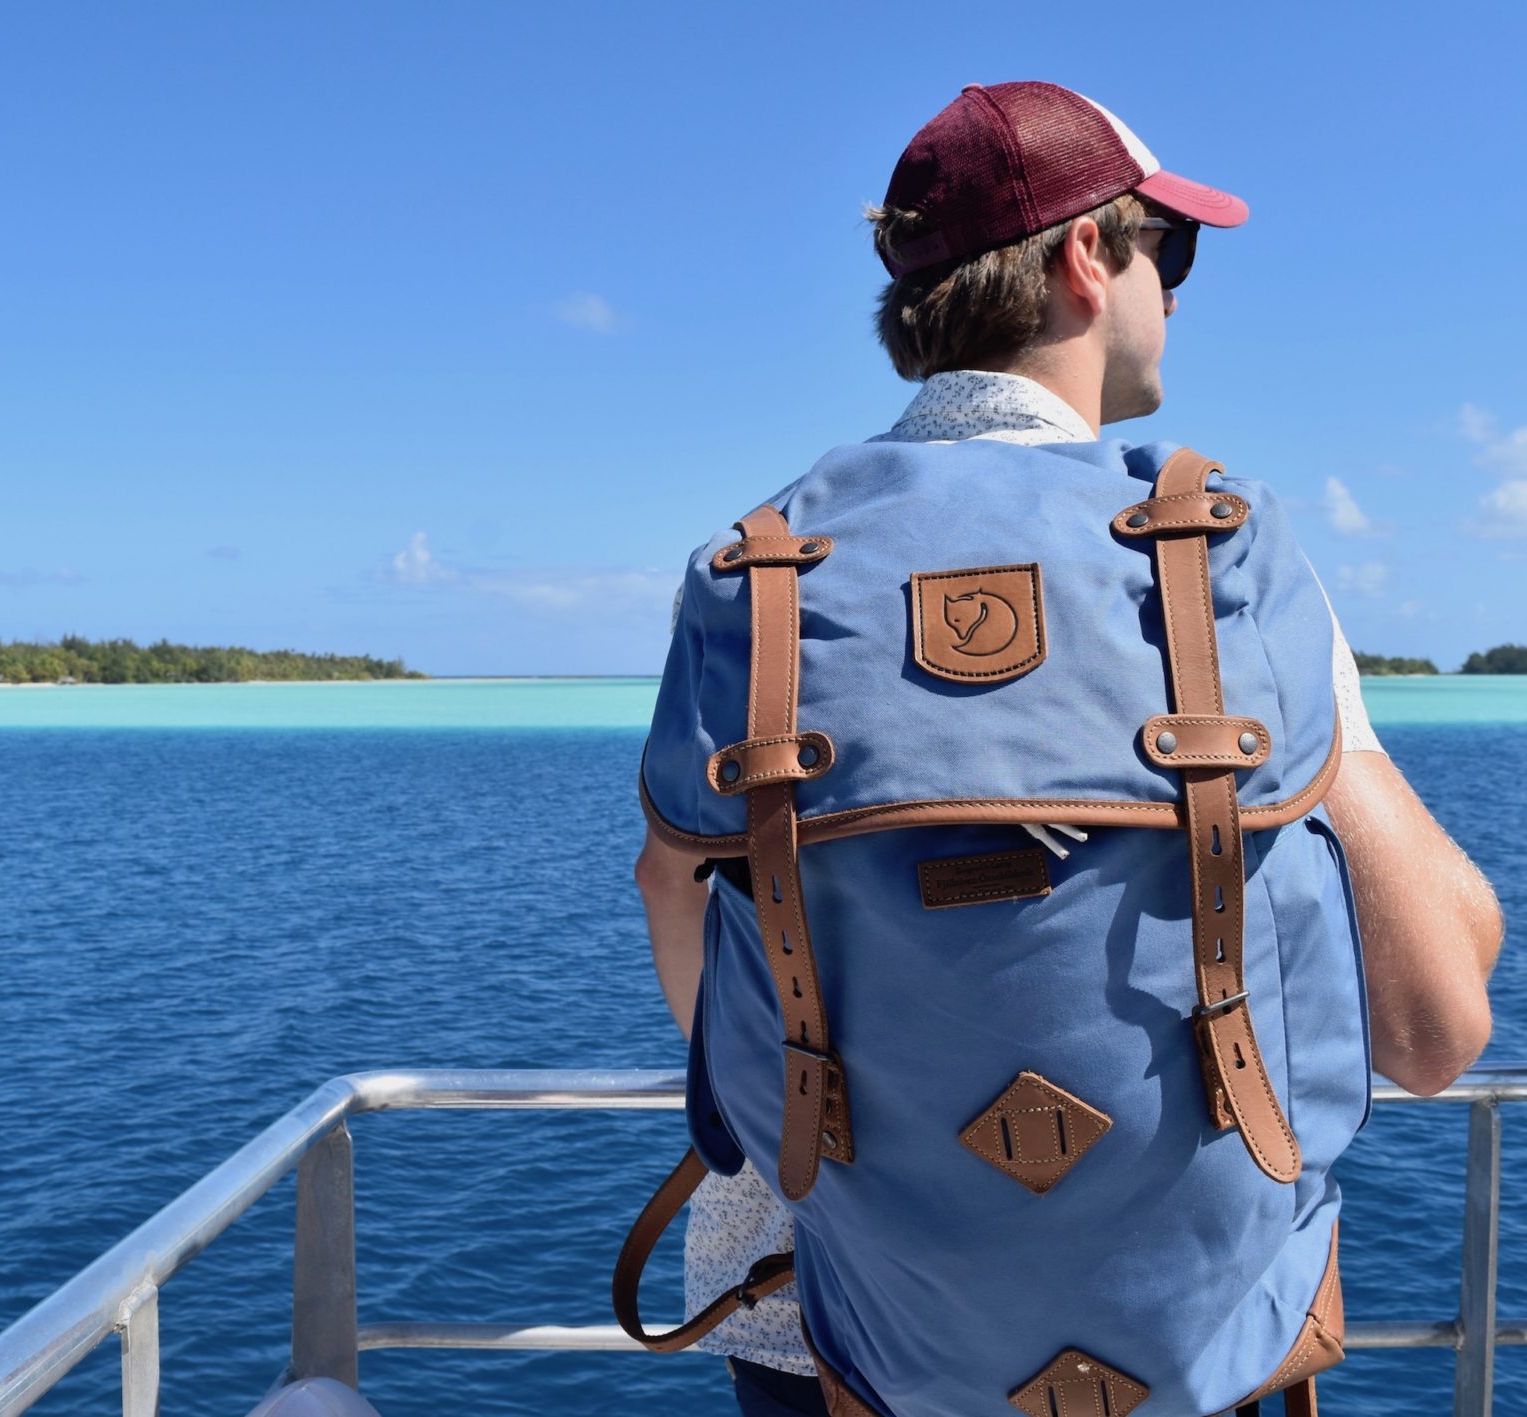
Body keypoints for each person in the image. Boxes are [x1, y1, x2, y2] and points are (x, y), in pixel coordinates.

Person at [634, 81, 1505, 1417]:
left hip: (840, 1353)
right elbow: (1438, 1027)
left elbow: (681, 919)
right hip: (1183, 1353)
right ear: (1086, 260)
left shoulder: (760, 581)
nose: (1180, 290)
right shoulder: (1213, 563)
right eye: (1175, 249)